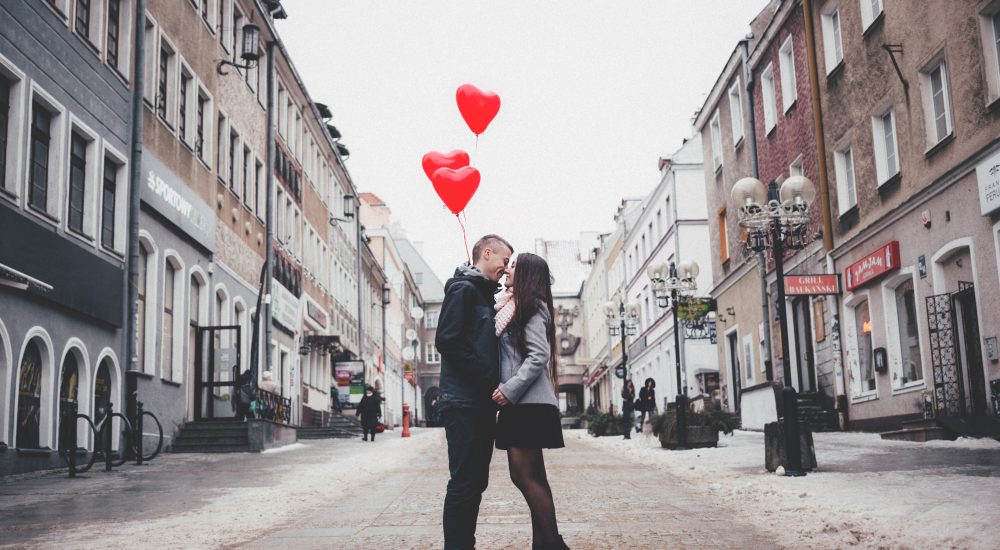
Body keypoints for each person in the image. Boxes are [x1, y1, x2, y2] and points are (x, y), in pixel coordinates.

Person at [436, 234, 513, 550]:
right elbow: (447, 340)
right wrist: (487, 380)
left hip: (479, 403)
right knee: (464, 482)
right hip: (463, 402)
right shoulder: (464, 290)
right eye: (505, 261)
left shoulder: (484, 294)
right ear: (487, 252)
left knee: (476, 482)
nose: (506, 269)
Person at [492, 253, 569, 550]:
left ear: (526, 273)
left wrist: (509, 390)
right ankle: (544, 544)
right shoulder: (512, 306)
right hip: (525, 404)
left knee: (523, 476)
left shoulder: (532, 306)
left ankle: (554, 544)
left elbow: (539, 355)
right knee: (535, 477)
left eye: (513, 266)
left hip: (527, 404)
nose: (507, 270)